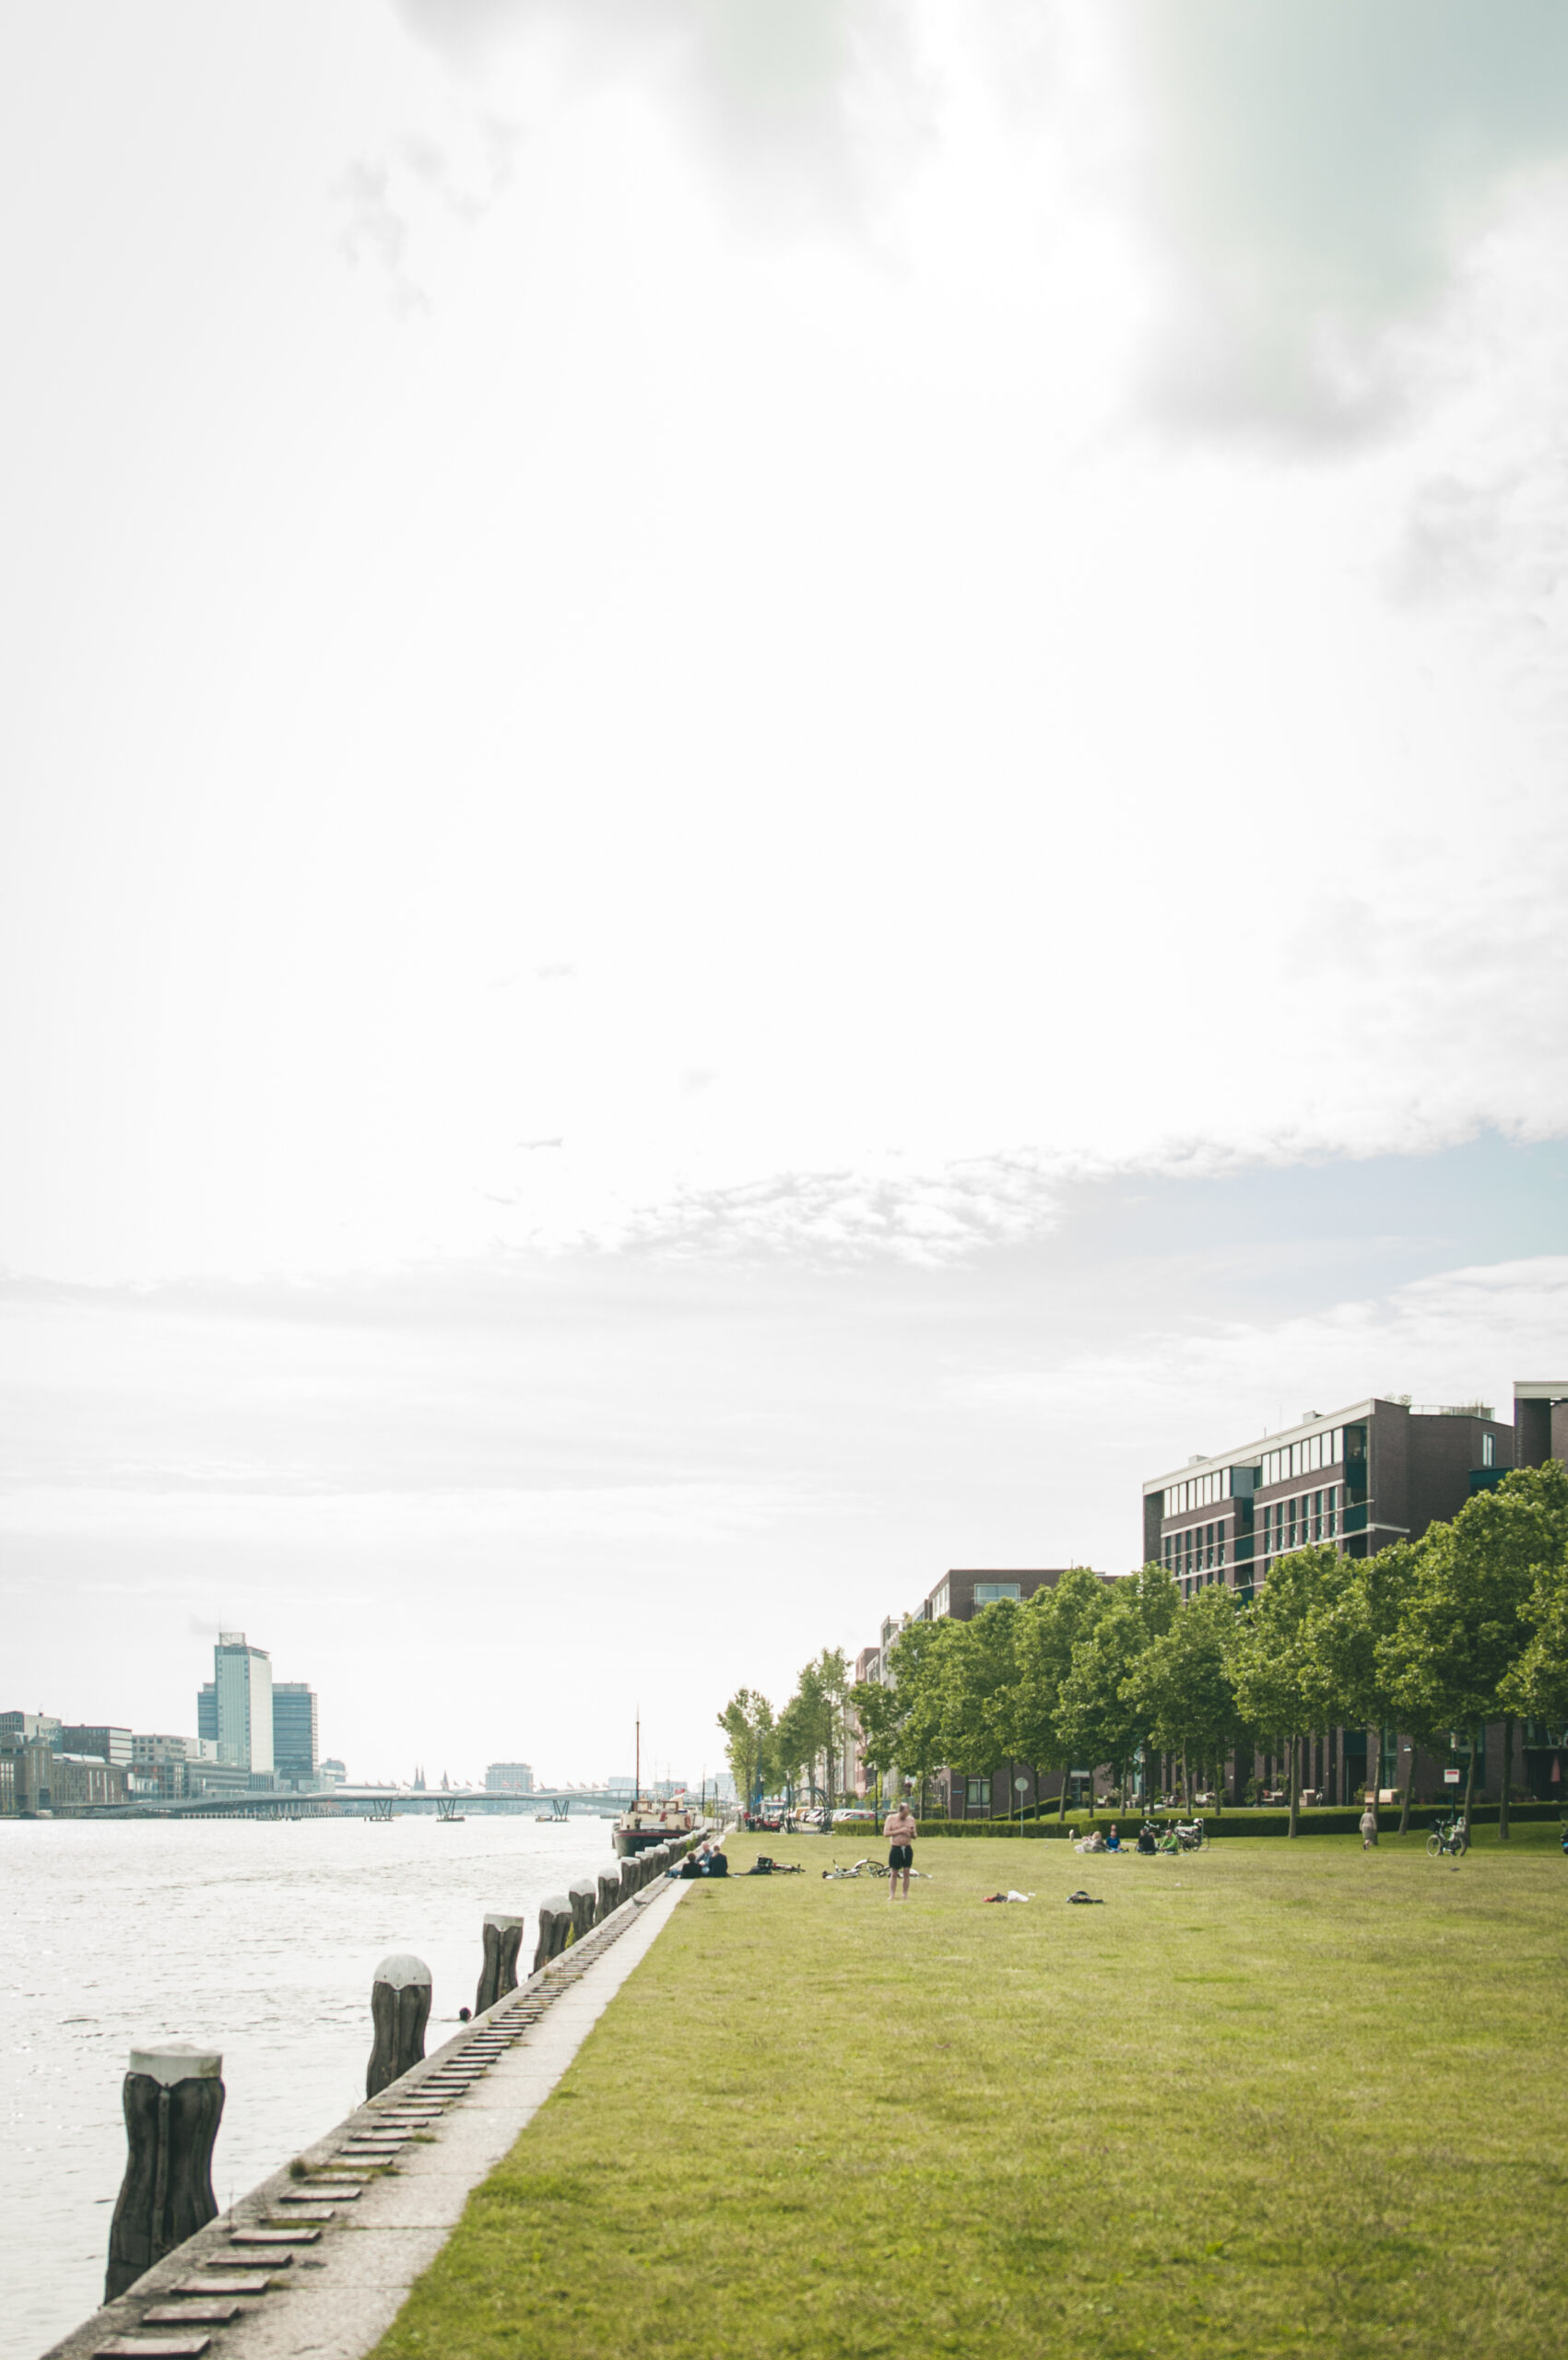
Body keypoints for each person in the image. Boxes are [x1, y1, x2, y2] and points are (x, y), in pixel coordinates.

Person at [883, 1793, 918, 1901]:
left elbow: (915, 1836)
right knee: (894, 1872)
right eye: (904, 1814)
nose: (905, 1817)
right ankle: (892, 1894)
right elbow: (886, 1833)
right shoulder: (891, 1818)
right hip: (896, 1848)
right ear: (900, 1811)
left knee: (906, 1872)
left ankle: (905, 1894)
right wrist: (900, 1831)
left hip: (907, 1848)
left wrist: (911, 1833)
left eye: (907, 1814)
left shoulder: (911, 1820)